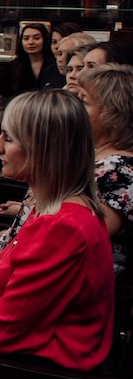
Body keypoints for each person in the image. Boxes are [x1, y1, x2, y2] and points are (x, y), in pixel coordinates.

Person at [0, 90, 114, 375]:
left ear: (44, 149)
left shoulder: (60, 226)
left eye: (8, 138)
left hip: (42, 373)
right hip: (45, 351)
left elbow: (0, 334)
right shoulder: (67, 207)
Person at [78, 64, 133, 282]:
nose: (75, 108)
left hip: (83, 283)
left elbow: (79, 240)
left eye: (83, 101)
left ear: (112, 114)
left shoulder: (118, 171)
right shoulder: (97, 154)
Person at [6, 22, 66, 95]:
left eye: (36, 38)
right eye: (26, 38)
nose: (30, 42)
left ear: (45, 40)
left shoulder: (55, 64)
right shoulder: (13, 66)